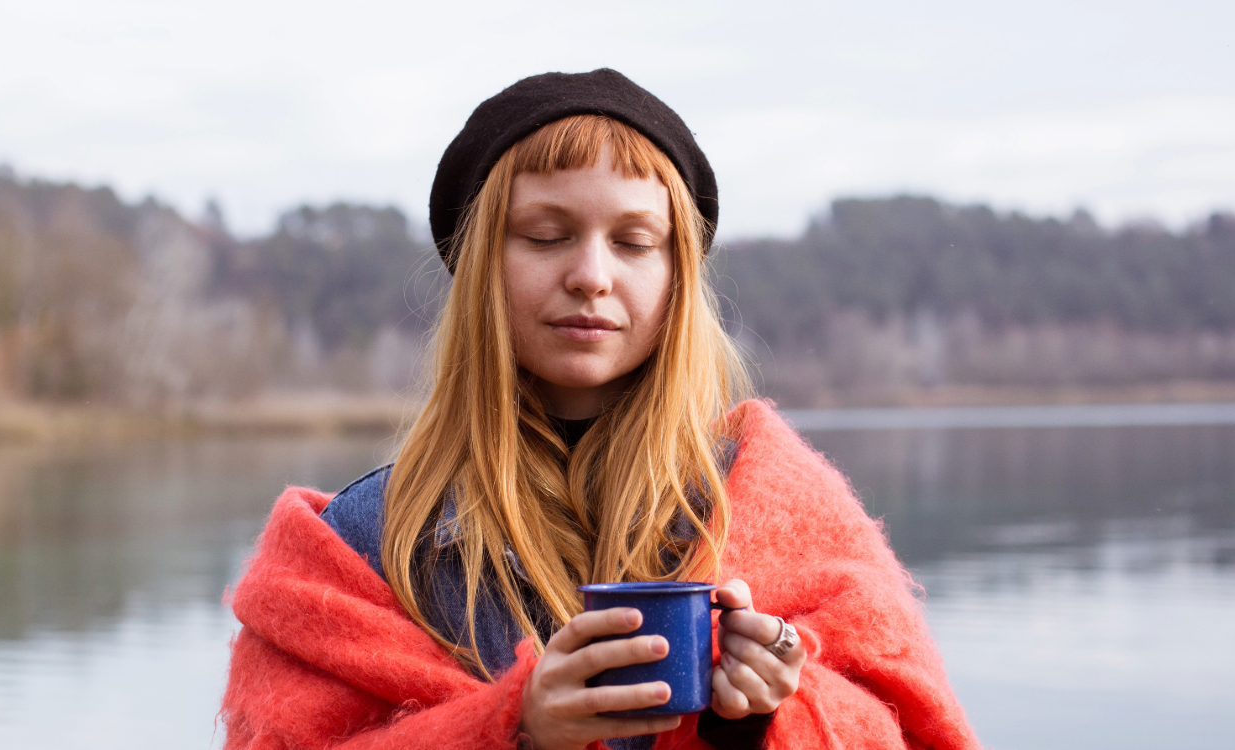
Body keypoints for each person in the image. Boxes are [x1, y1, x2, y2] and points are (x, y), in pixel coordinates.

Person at [221, 69, 980, 750]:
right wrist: (513, 730)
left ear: (677, 275)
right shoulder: (359, 549)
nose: (590, 275)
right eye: (547, 236)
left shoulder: (787, 506)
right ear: (483, 261)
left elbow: (907, 735)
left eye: (634, 241)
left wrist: (767, 715)